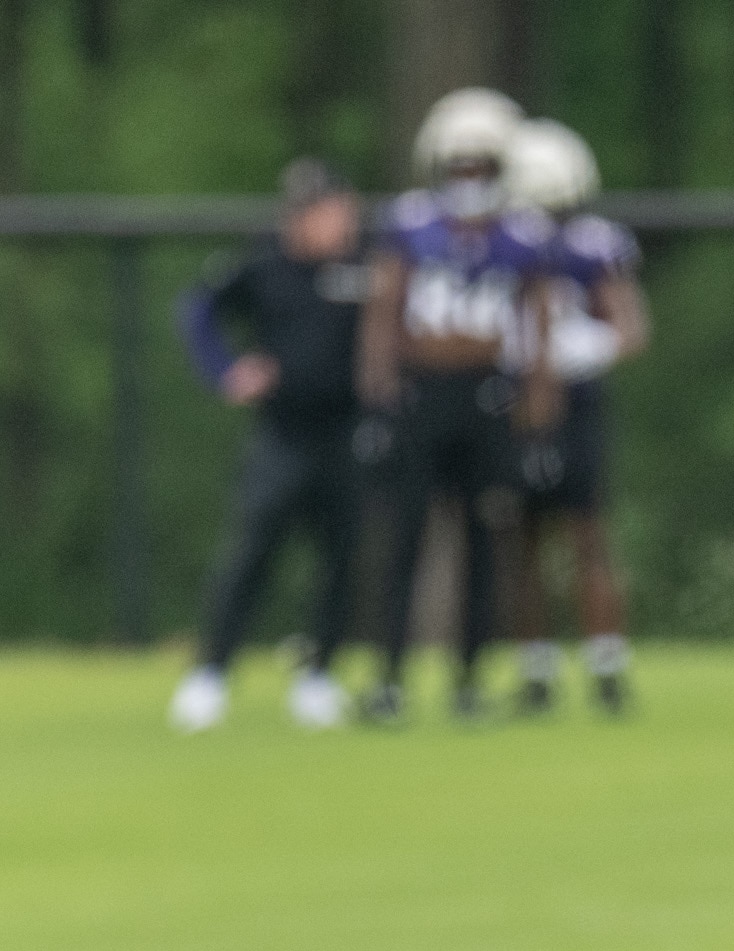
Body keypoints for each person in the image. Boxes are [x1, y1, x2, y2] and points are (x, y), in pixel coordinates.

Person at [358, 88, 562, 725]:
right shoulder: (412, 224)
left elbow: (539, 323)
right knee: (406, 536)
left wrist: (538, 404)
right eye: (461, 166)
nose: (470, 180)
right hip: (424, 393)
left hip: (487, 396)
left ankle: (470, 677)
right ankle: (390, 675)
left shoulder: (522, 236)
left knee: (486, 537)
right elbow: (385, 309)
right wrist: (379, 391)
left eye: (482, 166)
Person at [170, 157, 371, 734]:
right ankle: (210, 674)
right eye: (331, 213)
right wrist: (225, 371)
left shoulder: (363, 266)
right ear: (301, 217)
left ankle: (319, 677)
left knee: (340, 560)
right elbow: (197, 310)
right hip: (282, 435)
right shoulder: (262, 264)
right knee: (251, 553)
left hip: (346, 432)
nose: (343, 223)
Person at [503, 118, 649, 715]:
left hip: (576, 399)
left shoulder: (594, 246)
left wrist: (569, 351)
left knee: (585, 531)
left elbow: (630, 330)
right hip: (514, 398)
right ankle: (538, 667)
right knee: (521, 533)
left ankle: (606, 663)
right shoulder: (503, 242)